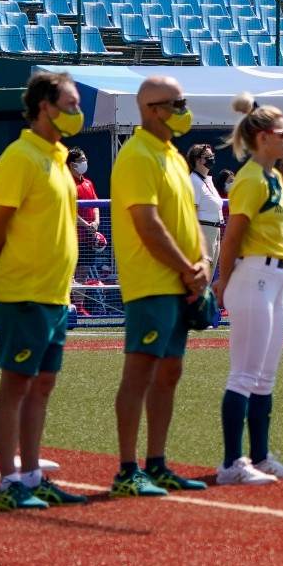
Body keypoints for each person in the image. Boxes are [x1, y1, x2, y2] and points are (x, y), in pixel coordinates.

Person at [0, 71, 89, 510]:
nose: (77, 111)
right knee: (16, 385)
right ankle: (9, 481)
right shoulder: (20, 156)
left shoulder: (59, 157)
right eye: (70, 103)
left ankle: (30, 474)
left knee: (42, 385)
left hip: (54, 294)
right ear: (45, 105)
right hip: (23, 292)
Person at [109, 75, 210, 497]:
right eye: (177, 102)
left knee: (170, 371)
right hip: (151, 281)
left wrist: (203, 261)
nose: (184, 109)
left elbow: (189, 219)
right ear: (153, 109)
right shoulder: (137, 155)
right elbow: (146, 224)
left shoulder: (171, 155)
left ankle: (157, 461)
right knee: (140, 372)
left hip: (179, 281)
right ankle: (128, 468)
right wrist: (189, 267)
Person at [209, 96, 283, 486]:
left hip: (275, 279)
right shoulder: (249, 178)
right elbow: (233, 235)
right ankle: (232, 462)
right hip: (253, 277)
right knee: (244, 374)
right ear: (263, 138)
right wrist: (223, 280)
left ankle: (260, 456)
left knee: (265, 376)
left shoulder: (273, 177)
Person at [188, 144, 224, 270]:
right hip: (204, 231)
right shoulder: (193, 181)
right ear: (198, 160)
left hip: (215, 230)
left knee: (209, 273)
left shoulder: (207, 181)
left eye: (212, 155)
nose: (212, 158)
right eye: (208, 156)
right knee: (203, 273)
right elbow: (191, 214)